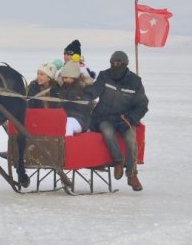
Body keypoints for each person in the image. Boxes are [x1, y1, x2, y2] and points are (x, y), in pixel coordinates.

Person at [82, 51, 148, 191]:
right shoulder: (104, 76)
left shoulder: (135, 82)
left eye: (117, 63)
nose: (114, 65)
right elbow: (95, 90)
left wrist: (131, 118)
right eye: (112, 63)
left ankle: (131, 174)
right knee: (107, 132)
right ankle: (118, 161)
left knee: (131, 140)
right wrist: (86, 96)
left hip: (125, 118)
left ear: (124, 64)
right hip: (104, 117)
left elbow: (142, 105)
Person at [56, 61, 93, 136]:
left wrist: (73, 100)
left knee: (68, 125)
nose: (64, 80)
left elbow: (85, 105)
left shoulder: (85, 87)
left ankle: (67, 145)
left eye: (66, 77)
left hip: (81, 118)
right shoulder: (64, 87)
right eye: (63, 78)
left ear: (74, 76)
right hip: (65, 117)